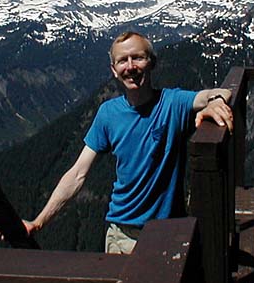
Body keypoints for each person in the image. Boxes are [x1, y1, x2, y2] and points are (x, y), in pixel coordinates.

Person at [15, 31, 233, 254]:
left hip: (168, 235)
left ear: (152, 62)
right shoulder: (107, 114)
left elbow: (221, 91)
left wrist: (216, 101)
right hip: (121, 236)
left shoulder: (172, 103)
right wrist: (38, 221)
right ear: (114, 70)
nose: (130, 66)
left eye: (138, 57)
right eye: (122, 60)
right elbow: (77, 173)